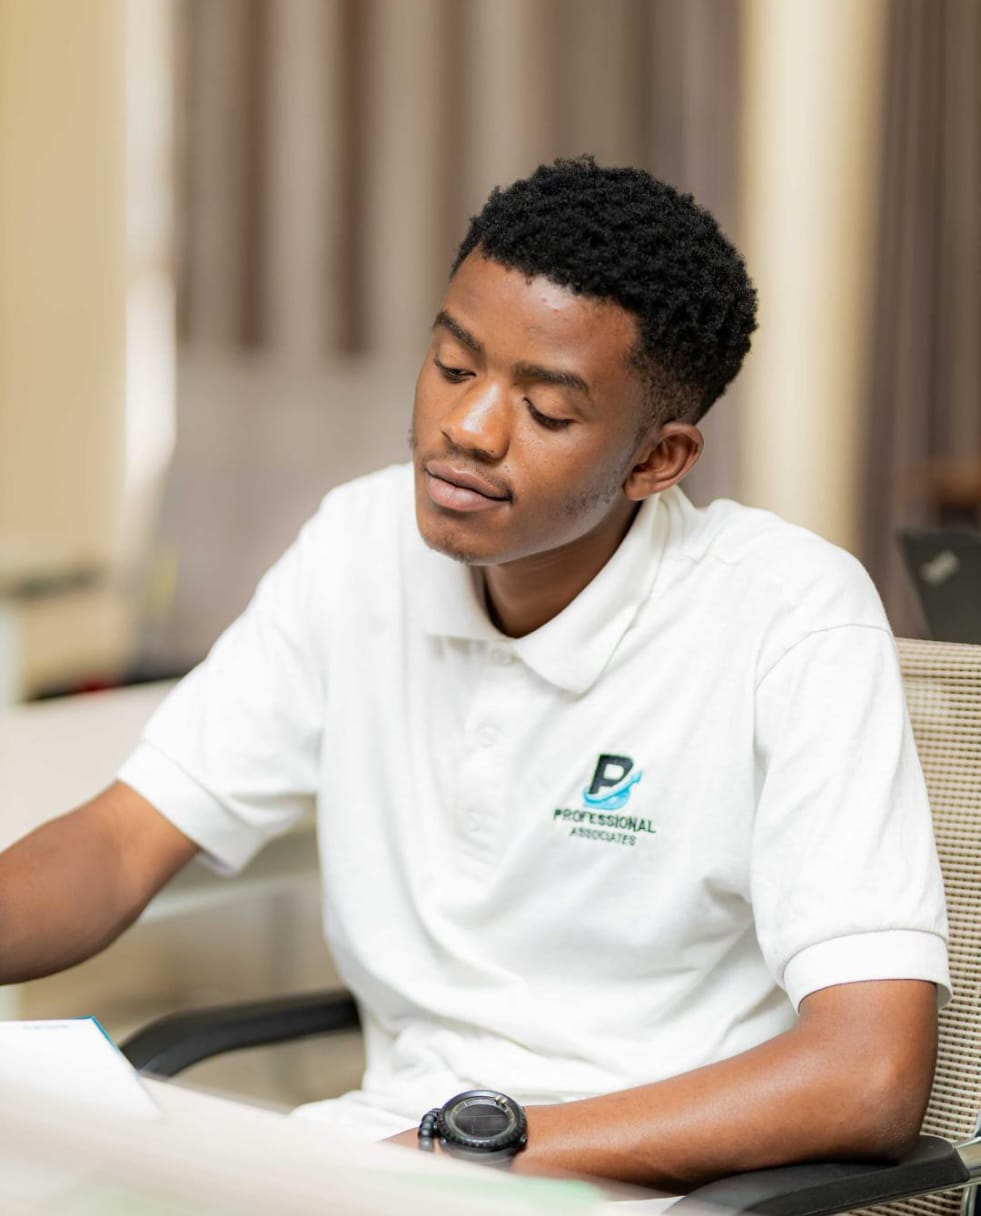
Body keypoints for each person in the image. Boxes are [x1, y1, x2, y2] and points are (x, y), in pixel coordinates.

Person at [0, 158, 948, 1191]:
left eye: (547, 412)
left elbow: (869, 1072)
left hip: (648, 1186)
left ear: (657, 459)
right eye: (454, 366)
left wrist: (452, 1155)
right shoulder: (357, 544)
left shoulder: (787, 612)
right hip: (364, 1161)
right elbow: (120, 843)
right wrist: (394, 1169)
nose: (468, 428)